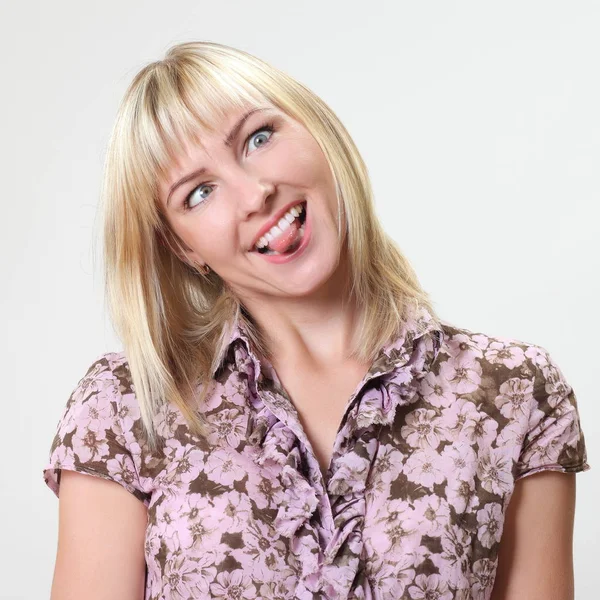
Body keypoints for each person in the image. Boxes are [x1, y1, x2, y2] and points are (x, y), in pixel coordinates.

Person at [42, 41, 590, 600]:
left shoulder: (511, 391)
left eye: (258, 139)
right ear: (182, 248)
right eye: (200, 192)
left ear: (315, 130)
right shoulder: (125, 409)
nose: (255, 194)